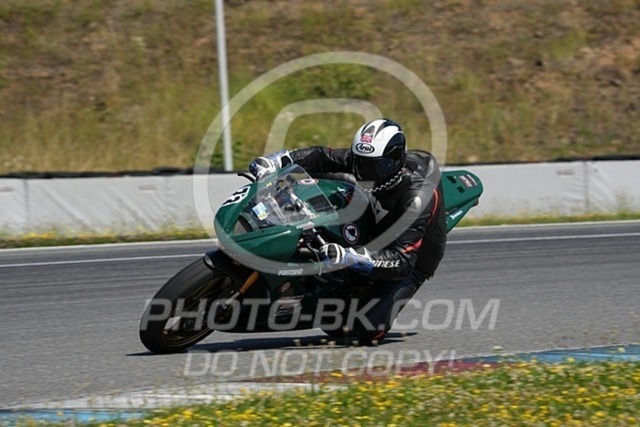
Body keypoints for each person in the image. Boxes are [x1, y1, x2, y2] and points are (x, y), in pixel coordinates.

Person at [249, 118, 447, 342]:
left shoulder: (416, 198)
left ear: (395, 161)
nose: (364, 172)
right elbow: (322, 156)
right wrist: (277, 161)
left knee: (363, 330)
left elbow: (403, 261)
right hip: (377, 220)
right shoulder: (364, 162)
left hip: (412, 259)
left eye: (374, 166)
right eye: (360, 163)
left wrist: (351, 257)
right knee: (318, 177)